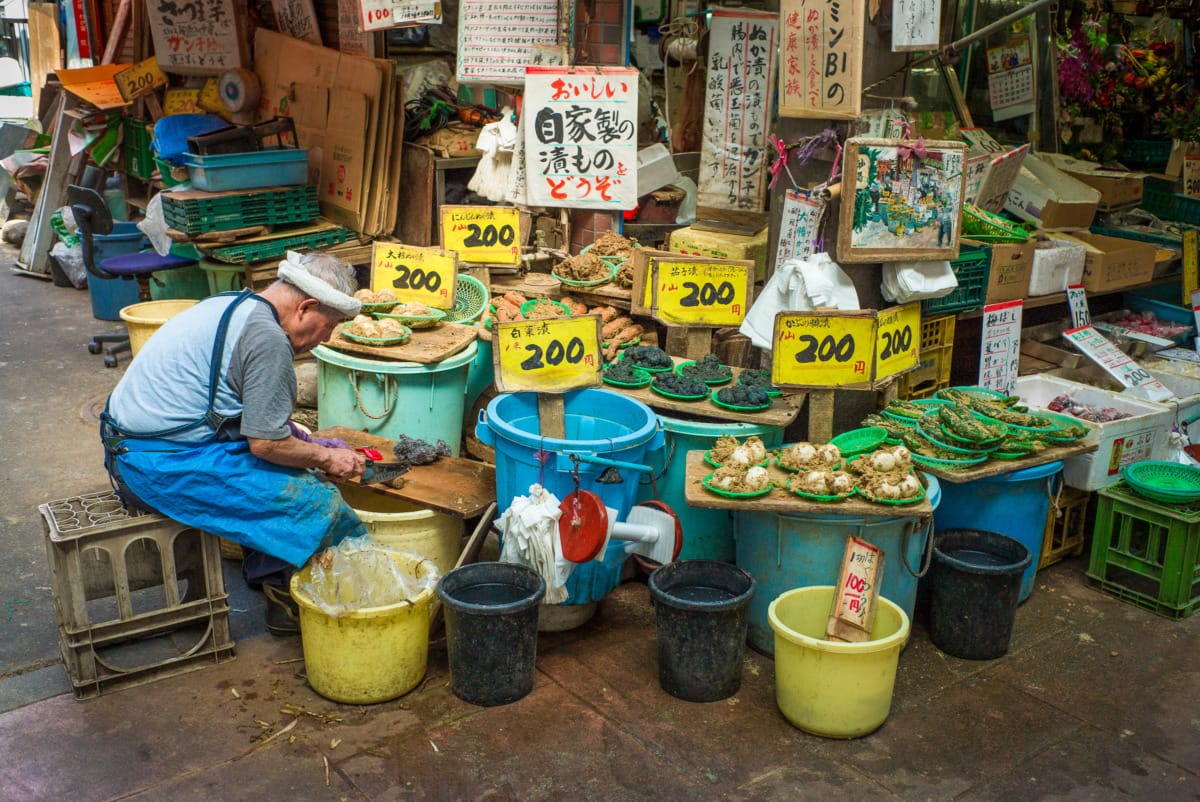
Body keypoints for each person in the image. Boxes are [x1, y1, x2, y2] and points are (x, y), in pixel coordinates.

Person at [99, 251, 368, 635]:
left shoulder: (235, 303)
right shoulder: (268, 339)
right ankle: (321, 600)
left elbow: (246, 415)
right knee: (316, 501)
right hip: (155, 465)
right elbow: (265, 445)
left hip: (134, 445)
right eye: (331, 324)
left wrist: (306, 442)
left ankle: (272, 577)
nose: (328, 337)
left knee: (291, 461)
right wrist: (325, 458)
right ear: (306, 308)